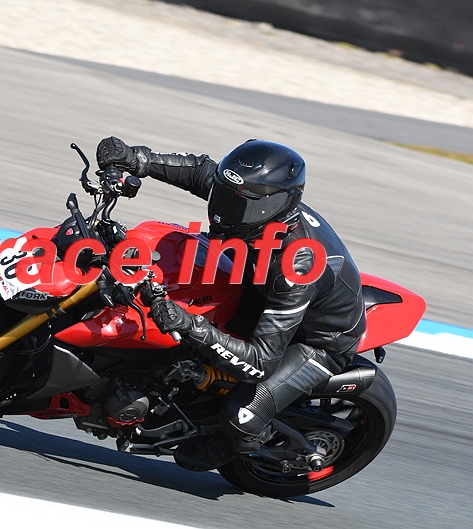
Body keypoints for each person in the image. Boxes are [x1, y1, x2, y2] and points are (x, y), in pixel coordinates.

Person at [96, 136, 367, 471]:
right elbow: (201, 172)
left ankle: (239, 443)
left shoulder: (298, 267)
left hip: (315, 341)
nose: (225, 210)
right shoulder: (251, 199)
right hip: (257, 288)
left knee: (241, 416)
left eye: (240, 204)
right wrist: (136, 159)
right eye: (225, 195)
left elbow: (262, 362)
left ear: (272, 208)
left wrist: (190, 324)